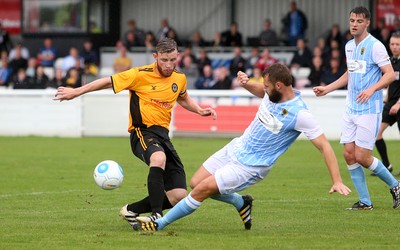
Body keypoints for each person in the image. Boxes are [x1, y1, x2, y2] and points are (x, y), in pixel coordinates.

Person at [132, 63, 351, 232]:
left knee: (200, 191)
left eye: (267, 86)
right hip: (236, 148)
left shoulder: (300, 114)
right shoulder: (271, 92)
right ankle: (241, 202)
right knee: (195, 182)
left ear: (279, 86)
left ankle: (158, 224)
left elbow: (324, 146)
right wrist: (246, 83)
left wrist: (337, 180)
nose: (263, 89)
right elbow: (261, 91)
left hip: (251, 166)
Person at [53, 38, 217, 225]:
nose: (169, 64)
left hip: (163, 135)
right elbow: (107, 82)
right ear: (155, 57)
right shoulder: (139, 74)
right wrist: (76, 92)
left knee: (178, 195)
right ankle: (156, 216)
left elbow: (183, 97)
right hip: (142, 132)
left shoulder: (179, 79)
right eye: (164, 60)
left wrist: (199, 110)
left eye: (173, 59)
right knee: (158, 158)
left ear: (178, 56)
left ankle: (132, 210)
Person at [313, 6, 400, 210]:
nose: (354, 24)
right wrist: (328, 89)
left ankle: (396, 186)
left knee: (362, 156)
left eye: (359, 21)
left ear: (367, 22)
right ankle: (365, 202)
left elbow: (389, 75)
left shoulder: (376, 46)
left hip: (369, 109)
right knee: (349, 154)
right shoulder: (349, 46)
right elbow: (349, 74)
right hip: (351, 108)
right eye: (352, 20)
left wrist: (371, 89)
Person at [374, 31, 400, 175]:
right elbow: (389, 82)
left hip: (399, 104)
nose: (394, 47)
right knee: (377, 134)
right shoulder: (389, 61)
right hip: (390, 104)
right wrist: (386, 100)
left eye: (397, 44)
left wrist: (398, 104)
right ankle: (386, 165)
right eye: (392, 44)